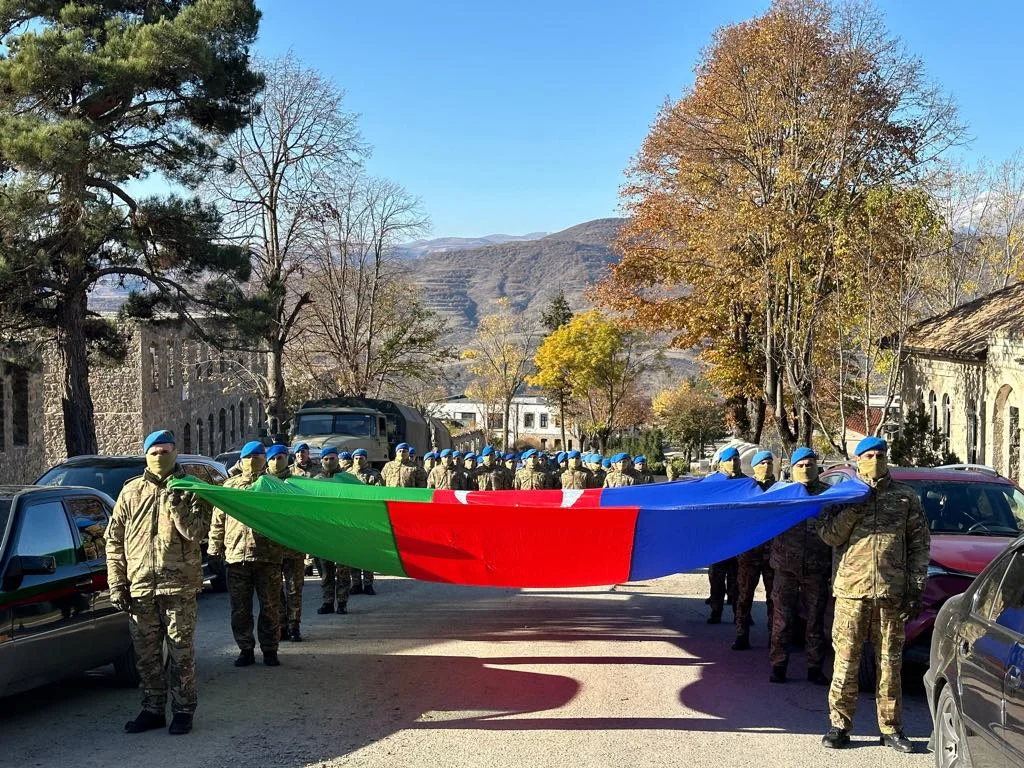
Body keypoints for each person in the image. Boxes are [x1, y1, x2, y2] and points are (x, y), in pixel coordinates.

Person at [819, 437, 929, 753]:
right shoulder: (843, 496)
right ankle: (839, 726)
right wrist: (855, 508)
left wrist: (915, 587)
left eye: (881, 454)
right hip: (852, 593)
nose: (876, 460)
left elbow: (920, 546)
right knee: (846, 661)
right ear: (858, 460)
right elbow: (829, 536)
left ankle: (891, 729)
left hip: (891, 595)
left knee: (890, 663)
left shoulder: (905, 498)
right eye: (869, 455)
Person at [106, 430, 211, 735]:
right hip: (140, 587)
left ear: (175, 452)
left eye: (165, 451)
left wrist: (176, 504)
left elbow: (196, 533)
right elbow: (114, 541)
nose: (160, 457)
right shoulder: (131, 492)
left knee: (181, 652)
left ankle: (182, 711)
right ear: (145, 455)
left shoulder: (192, 489)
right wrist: (117, 582)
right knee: (147, 655)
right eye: (154, 452)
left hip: (178, 587)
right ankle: (152, 709)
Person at [208, 441, 284, 668]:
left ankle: (270, 649)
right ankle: (245, 649)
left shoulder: (275, 486)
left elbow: (288, 521)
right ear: (241, 461)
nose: (253, 461)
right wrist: (213, 551)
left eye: (258, 456)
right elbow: (218, 522)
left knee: (270, 607)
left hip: (268, 557)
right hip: (236, 557)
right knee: (240, 609)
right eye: (248, 457)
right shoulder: (229, 488)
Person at [770, 447, 831, 684]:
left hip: (817, 568)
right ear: (792, 469)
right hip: (785, 566)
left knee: (815, 619)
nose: (806, 469)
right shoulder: (781, 494)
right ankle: (778, 665)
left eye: (810, 464)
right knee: (782, 619)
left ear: (817, 467)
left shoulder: (829, 496)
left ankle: (814, 667)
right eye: (800, 465)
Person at [732, 450, 776, 651]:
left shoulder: (781, 489)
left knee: (773, 599)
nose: (766, 466)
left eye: (769, 463)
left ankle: (773, 636)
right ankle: (741, 634)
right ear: (755, 466)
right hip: (749, 553)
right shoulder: (746, 488)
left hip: (774, 554)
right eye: (762, 463)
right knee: (744, 595)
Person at [267, 444, 305, 642]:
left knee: (293, 589)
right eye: (272, 458)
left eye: (280, 457)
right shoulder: (261, 484)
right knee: (274, 591)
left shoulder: (297, 483)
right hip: (268, 549)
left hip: (293, 547)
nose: (276, 461)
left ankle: (294, 627)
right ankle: (280, 626)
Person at [708, 446, 743, 624]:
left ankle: (741, 614)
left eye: (736, 459)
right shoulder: (712, 482)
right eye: (729, 460)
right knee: (717, 579)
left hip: (739, 539)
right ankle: (716, 611)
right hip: (717, 539)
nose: (733, 463)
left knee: (738, 580)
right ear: (721, 462)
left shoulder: (747, 483)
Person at [314, 446, 351, 615]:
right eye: (326, 459)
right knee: (325, 571)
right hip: (323, 532)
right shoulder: (316, 480)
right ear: (322, 461)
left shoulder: (347, 480)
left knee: (342, 570)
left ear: (338, 460)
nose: (330, 462)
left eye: (332, 458)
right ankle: (328, 601)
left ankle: (342, 602)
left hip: (342, 531)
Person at [348, 448, 382, 595]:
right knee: (354, 552)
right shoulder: (346, 475)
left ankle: (368, 583)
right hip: (351, 519)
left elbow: (379, 495)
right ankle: (355, 583)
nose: (358, 460)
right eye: (356, 458)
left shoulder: (374, 475)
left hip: (368, 519)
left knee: (368, 552)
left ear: (366, 459)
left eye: (361, 457)